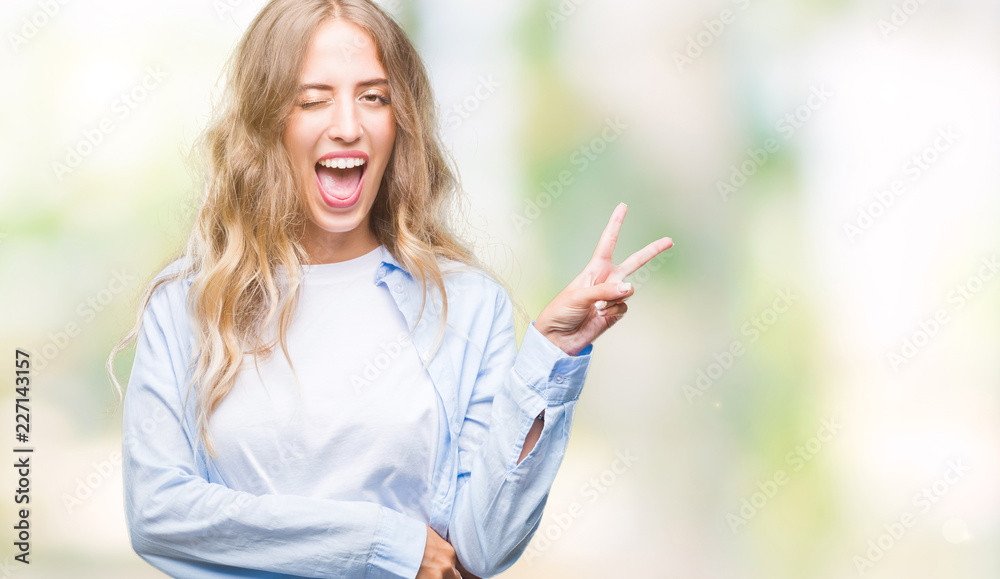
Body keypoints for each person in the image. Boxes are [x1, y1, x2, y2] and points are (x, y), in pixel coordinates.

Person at [106, 0, 673, 577]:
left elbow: (482, 548)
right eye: (313, 99)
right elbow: (159, 512)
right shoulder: (188, 302)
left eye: (374, 97)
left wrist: (550, 358)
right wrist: (386, 543)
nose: (348, 125)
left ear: (400, 122)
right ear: (266, 121)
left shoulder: (469, 304)